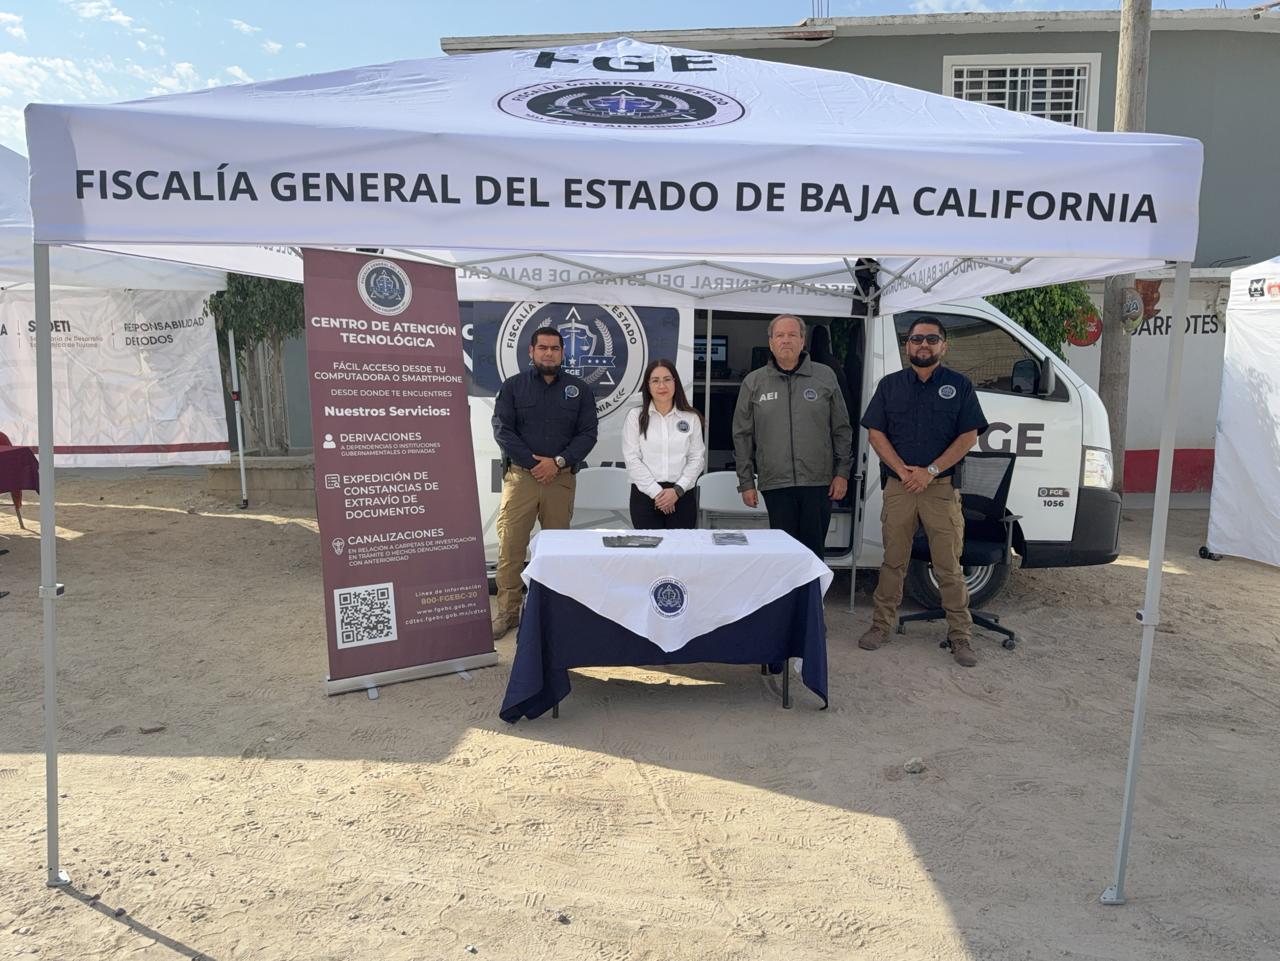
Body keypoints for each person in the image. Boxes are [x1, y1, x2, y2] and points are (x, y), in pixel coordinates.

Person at [857, 315, 989, 667]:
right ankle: (880, 626)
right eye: (917, 339)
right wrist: (903, 471)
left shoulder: (959, 386)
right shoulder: (890, 386)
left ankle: (960, 635)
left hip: (940, 489)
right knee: (893, 562)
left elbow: (968, 436)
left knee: (948, 566)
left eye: (932, 339)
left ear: (944, 346)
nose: (924, 345)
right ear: (907, 346)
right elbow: (875, 433)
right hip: (900, 488)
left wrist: (930, 472)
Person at [490, 326, 599, 640]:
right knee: (511, 548)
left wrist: (558, 462)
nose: (549, 353)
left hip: (560, 479)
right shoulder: (513, 387)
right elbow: (502, 429)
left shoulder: (579, 389)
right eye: (543, 348)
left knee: (557, 551)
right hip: (521, 479)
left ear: (563, 353)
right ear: (531, 351)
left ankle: (553, 614)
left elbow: (587, 433)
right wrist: (534, 463)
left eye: (554, 348)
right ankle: (507, 613)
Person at [731, 314, 853, 558]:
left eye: (792, 335)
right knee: (783, 555)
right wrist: (746, 482)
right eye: (780, 335)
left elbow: (841, 428)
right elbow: (742, 435)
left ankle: (813, 586)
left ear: (802, 340)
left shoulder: (824, 376)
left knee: (813, 554)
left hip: (817, 483)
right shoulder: (754, 382)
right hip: (776, 483)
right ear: (771, 342)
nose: (786, 340)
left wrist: (842, 473)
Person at [622, 359, 706, 529]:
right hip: (646, 496)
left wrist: (677, 491)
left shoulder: (691, 417)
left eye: (667, 379)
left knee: (681, 546)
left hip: (682, 495)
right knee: (648, 546)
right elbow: (632, 459)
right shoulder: (635, 416)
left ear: (675, 382)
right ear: (648, 385)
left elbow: (697, 458)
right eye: (655, 380)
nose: (662, 386)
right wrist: (657, 493)